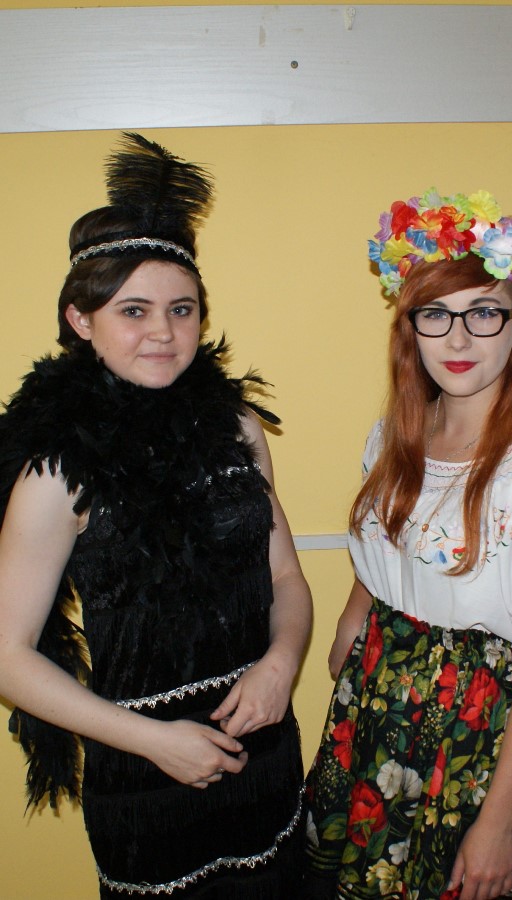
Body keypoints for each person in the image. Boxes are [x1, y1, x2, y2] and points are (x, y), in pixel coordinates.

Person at [0, 132, 312, 898]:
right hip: (143, 771)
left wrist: (281, 664)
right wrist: (155, 743)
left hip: (263, 744)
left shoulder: (237, 428)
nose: (164, 333)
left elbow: (284, 576)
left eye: (182, 309)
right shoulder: (56, 472)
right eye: (132, 310)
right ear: (82, 320)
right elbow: (6, 655)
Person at [303, 188, 512, 899]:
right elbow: (393, 536)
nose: (458, 341)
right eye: (436, 315)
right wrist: (354, 619)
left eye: (483, 313)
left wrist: (495, 827)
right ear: (411, 327)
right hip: (382, 708)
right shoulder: (398, 436)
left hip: (477, 736)